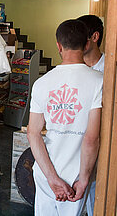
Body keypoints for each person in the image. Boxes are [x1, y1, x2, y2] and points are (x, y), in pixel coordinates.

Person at [27, 19, 103, 216]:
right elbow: (91, 138)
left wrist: (52, 178)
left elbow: (33, 133)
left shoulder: (41, 83)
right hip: (76, 175)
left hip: (45, 172)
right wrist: (84, 178)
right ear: (87, 44)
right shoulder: (99, 82)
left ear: (58, 45)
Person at [77, 14, 104, 216]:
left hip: (102, 151)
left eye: (81, 37)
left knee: (97, 206)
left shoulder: (110, 72)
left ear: (95, 37)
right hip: (74, 152)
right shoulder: (72, 71)